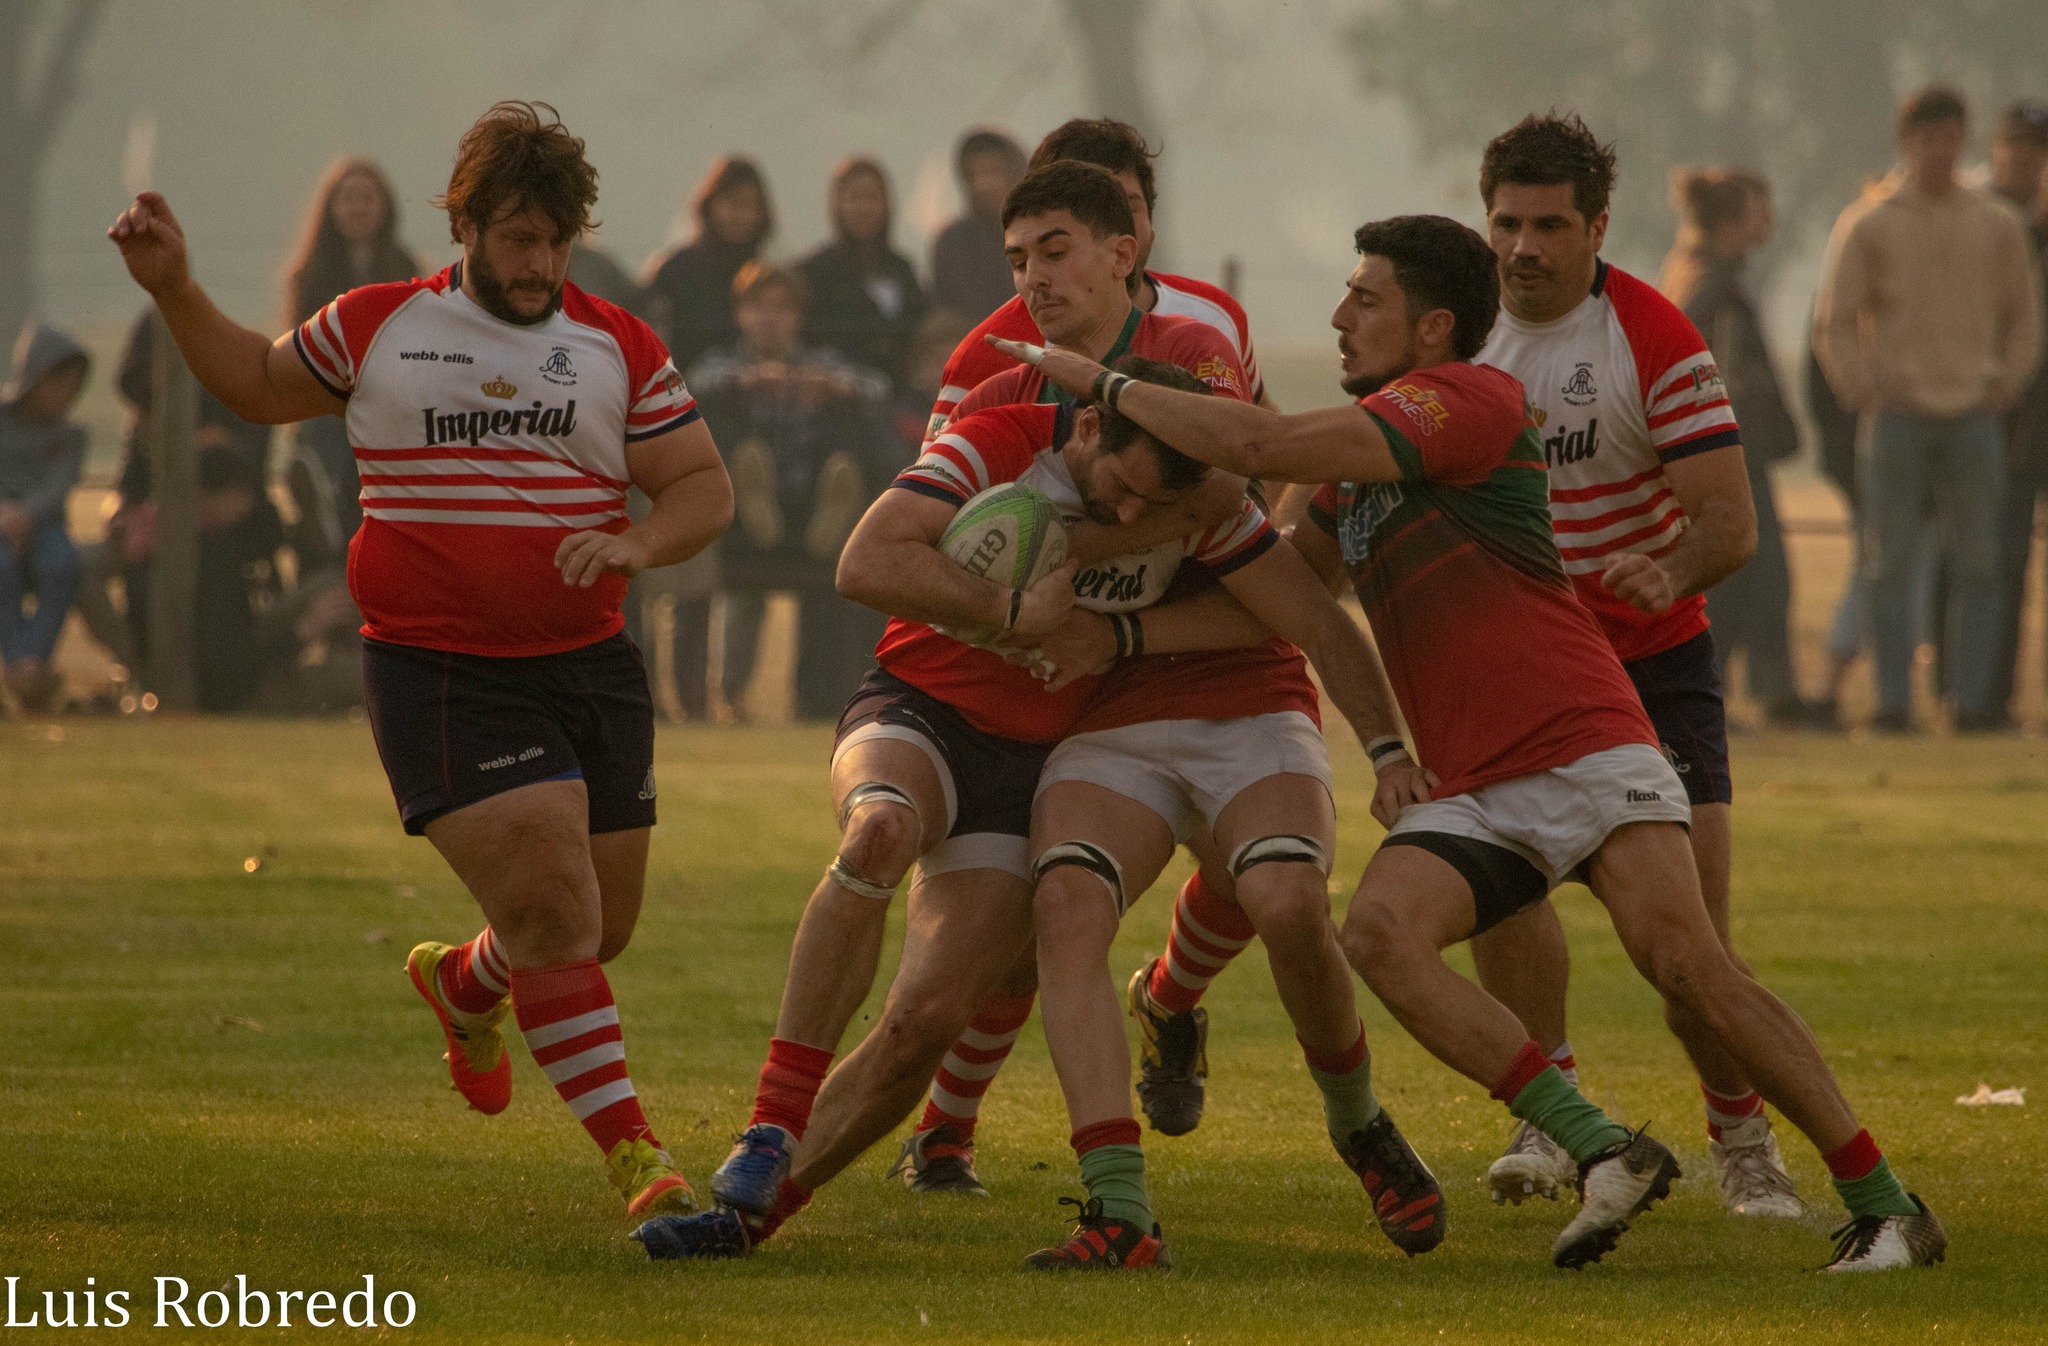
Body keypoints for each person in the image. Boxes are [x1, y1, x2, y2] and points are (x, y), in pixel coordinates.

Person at [1001, 210, 1947, 1273]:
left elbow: (1260, 442)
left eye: (1365, 300)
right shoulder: (1356, 463)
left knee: (1685, 963)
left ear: (1431, 325)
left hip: (1581, 737)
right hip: (1476, 781)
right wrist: (1117, 619)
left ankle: (1885, 1201)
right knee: (1378, 935)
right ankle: (1602, 1142)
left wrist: (1103, 381)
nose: (1339, 316)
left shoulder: (1469, 398)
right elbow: (1288, 601)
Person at [624, 165, 1301, 1263]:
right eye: (1021, 255)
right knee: (880, 828)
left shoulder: (1201, 353)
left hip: (1038, 752)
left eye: (1057, 248)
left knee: (922, 1021)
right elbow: (871, 557)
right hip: (924, 702)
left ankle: (749, 1218)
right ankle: (766, 1124)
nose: (1036, 276)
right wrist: (1007, 605)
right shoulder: (993, 392)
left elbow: (1257, 519)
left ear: (1126, 244)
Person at [109, 100, 733, 1218]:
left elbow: (701, 486)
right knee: (554, 908)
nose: (537, 261)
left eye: (554, 240)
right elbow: (256, 385)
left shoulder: (616, 344)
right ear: (468, 227)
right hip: (440, 670)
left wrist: (638, 537)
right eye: (515, 239)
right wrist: (173, 290)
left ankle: (464, 979)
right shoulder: (377, 324)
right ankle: (642, 1158)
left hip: (588, 662)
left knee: (596, 928)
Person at [1815, 85, 2043, 734]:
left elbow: (2025, 321)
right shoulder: (1871, 221)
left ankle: (1971, 705)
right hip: (1896, 417)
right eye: (1926, 139)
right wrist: (1864, 389)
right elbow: (1833, 321)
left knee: (1981, 566)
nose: (1939, 152)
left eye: (1949, 138)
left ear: (1963, 140)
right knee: (1889, 564)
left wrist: (2002, 387)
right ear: (1905, 142)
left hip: (1974, 414)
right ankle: (1893, 704)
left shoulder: (1996, 225)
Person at [926, 118, 1271, 445]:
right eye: (1099, 212)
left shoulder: (1214, 318)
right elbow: (930, 489)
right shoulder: (985, 357)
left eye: (1129, 208)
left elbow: (1260, 453)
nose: (1118, 229)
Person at [687, 261, 897, 719]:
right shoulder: (724, 363)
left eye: (781, 308)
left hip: (807, 510)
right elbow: (687, 386)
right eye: (759, 306)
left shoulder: (817, 363)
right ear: (741, 312)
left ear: (798, 316)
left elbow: (879, 390)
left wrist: (833, 387)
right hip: (743, 519)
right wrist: (743, 382)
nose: (770, 317)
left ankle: (836, 501)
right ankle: (732, 694)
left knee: (851, 426)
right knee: (722, 427)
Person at [1660, 168, 1814, 726]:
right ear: (1732, 220)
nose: (1768, 221)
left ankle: (1735, 691)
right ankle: (1760, 694)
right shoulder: (1717, 290)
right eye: (1758, 210)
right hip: (1732, 455)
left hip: (1717, 454)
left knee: (1743, 575)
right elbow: (1723, 381)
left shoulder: (1689, 270)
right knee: (1759, 574)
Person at [283, 158, 424, 547]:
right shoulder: (309, 273)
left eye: (367, 199)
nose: (358, 209)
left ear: (384, 206)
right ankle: (322, 507)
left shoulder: (406, 268)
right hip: (328, 399)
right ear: (331, 208)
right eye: (348, 199)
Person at [1986, 101, 2048, 728]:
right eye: (2017, 144)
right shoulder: (1978, 220)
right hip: (2001, 418)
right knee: (1994, 564)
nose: (2027, 158)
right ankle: (1986, 697)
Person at [0, 324, 90, 712]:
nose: (65, 394)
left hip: (44, 524)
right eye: (58, 382)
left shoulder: (72, 436)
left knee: (62, 565)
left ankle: (29, 663)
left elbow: (59, 486)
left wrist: (27, 515)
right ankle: (21, 663)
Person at [799, 157, 926, 391]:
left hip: (905, 396)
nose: (864, 208)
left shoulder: (902, 268)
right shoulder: (814, 271)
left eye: (872, 197)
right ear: (837, 205)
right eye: (854, 198)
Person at [643, 156, 774, 376]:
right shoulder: (675, 271)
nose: (743, 214)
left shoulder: (764, 275)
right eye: (733, 203)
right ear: (710, 204)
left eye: (751, 205)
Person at [929, 128, 1025, 324]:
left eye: (994, 171)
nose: (985, 184)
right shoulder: (952, 242)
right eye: (976, 174)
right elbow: (947, 311)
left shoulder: (1034, 235)